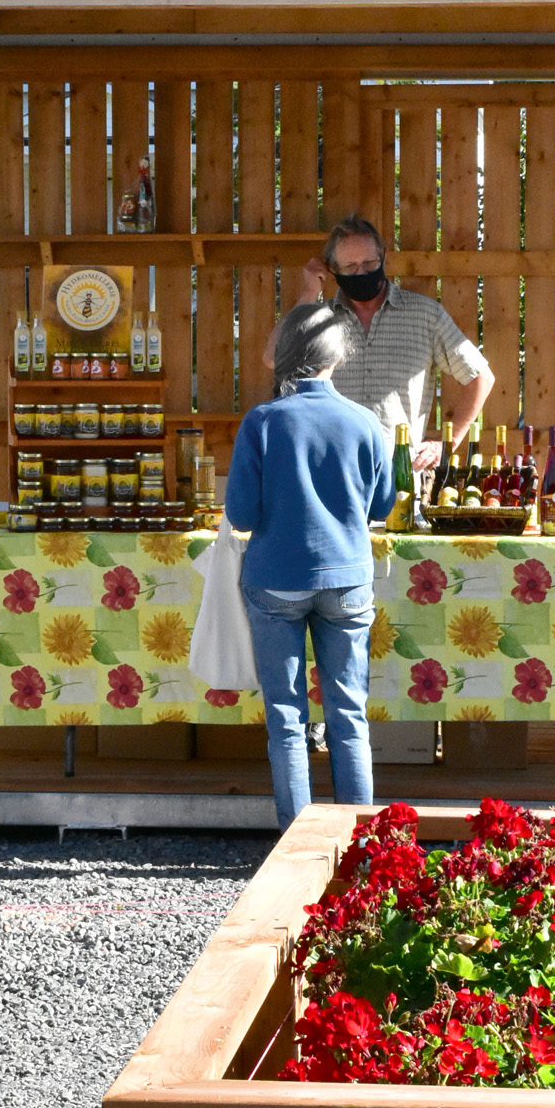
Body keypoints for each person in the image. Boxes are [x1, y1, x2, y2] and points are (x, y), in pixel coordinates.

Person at [224, 301, 394, 834]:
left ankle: (294, 847)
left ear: (286, 353)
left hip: (276, 579)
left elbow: (240, 514)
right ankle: (361, 845)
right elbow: (381, 506)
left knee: (286, 718)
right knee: (349, 716)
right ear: (337, 357)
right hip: (348, 579)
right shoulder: (366, 422)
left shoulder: (262, 421)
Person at [298, 216, 494, 472]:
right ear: (333, 269)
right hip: (331, 471)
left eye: (369, 263)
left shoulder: (425, 315)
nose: (361, 273)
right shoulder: (319, 318)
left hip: (400, 472)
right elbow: (273, 357)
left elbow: (481, 378)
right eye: (350, 266)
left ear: (384, 256)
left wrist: (448, 443)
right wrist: (309, 293)